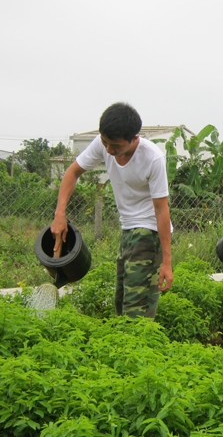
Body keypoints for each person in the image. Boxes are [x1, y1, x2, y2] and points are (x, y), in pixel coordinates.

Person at [51, 102, 173, 318]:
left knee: (136, 311)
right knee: (121, 301)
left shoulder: (152, 158)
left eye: (115, 146)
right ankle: (126, 347)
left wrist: (167, 262)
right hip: (127, 230)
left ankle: (137, 348)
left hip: (148, 231)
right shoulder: (103, 144)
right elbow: (72, 173)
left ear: (135, 138)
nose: (108, 150)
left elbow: (161, 210)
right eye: (105, 143)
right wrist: (59, 215)